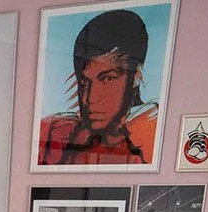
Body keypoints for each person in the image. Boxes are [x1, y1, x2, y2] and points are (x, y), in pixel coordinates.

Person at [37, 9, 160, 166]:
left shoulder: (151, 134)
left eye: (107, 79)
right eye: (84, 82)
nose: (90, 98)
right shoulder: (59, 133)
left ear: (136, 75)